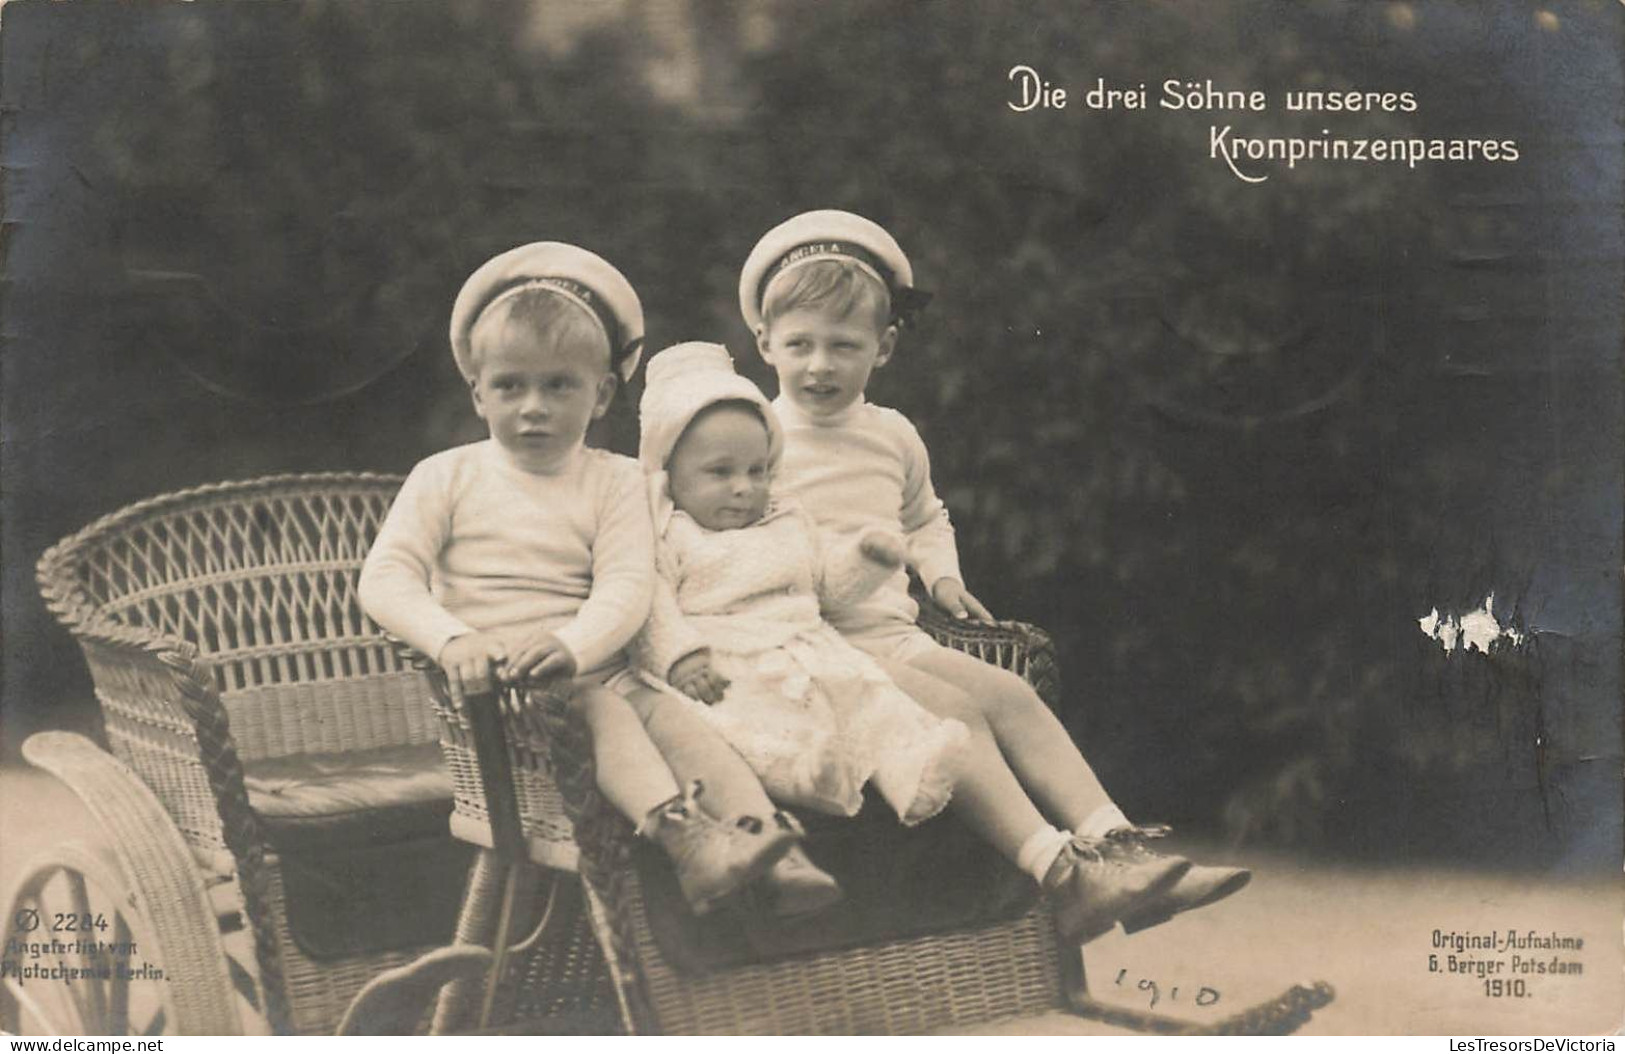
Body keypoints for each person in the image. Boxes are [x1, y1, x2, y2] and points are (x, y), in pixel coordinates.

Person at [735, 210, 1252, 943]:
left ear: (882, 348)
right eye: (800, 345)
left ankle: (1119, 850)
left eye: (842, 346)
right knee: (955, 708)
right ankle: (1060, 873)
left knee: (1007, 691)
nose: (819, 365)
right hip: (808, 649)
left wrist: (940, 578)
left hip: (889, 633)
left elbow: (924, 517)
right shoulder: (749, 431)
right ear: (764, 344)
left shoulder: (891, 434)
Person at [359, 242, 807, 916]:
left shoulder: (617, 480)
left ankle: (769, 846)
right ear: (478, 392)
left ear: (600, 395)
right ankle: (686, 842)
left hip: (596, 666)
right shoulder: (446, 476)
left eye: (559, 385)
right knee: (596, 708)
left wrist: (575, 645)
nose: (533, 407)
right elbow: (386, 578)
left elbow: (627, 586)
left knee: (682, 718)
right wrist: (452, 641)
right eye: (511, 386)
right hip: (498, 698)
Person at [634, 342, 969, 837]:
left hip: (809, 647)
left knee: (868, 697)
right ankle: (807, 775)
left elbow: (826, 586)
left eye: (757, 470)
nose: (744, 487)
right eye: (720, 472)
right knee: (750, 723)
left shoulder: (785, 519)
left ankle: (911, 773)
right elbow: (649, 607)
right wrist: (681, 657)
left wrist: (866, 560)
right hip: (722, 662)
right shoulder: (665, 533)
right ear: (669, 475)